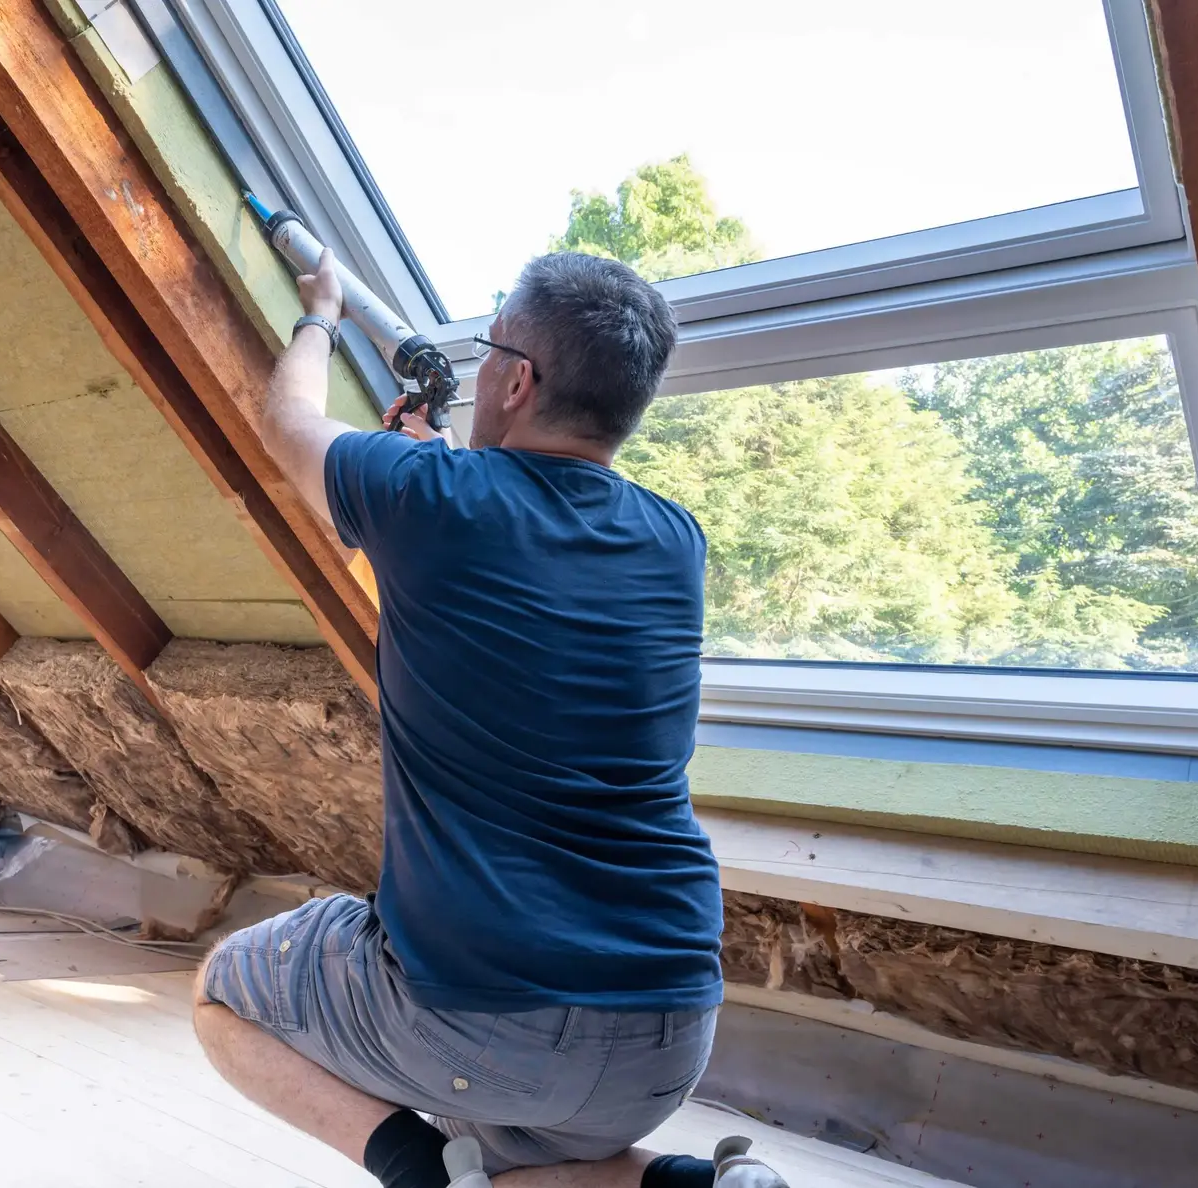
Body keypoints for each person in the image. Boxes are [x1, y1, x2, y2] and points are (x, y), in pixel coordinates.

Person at [193, 248, 783, 1188]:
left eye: (488, 350)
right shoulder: (675, 539)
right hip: (670, 1025)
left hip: (489, 1016)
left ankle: (420, 1180)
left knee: (226, 990)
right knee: (505, 1147)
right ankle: (685, 1185)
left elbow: (288, 422)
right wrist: (432, 466)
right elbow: (521, 551)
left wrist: (322, 312)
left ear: (514, 378)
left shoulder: (428, 500)